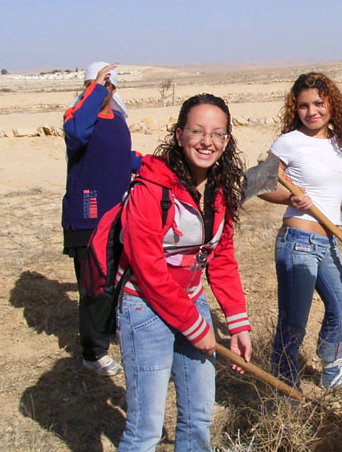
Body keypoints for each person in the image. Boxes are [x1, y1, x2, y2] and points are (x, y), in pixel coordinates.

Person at [116, 93, 252, 452]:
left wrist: (237, 323)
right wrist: (195, 327)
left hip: (192, 302)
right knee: (145, 429)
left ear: (227, 140)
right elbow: (148, 271)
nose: (207, 141)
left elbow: (221, 259)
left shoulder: (219, 191)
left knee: (198, 417)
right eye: (197, 131)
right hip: (145, 309)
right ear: (179, 135)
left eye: (217, 133)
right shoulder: (150, 190)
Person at [259, 72, 342, 390]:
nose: (312, 112)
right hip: (298, 241)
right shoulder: (289, 143)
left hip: (330, 240)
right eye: (303, 106)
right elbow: (261, 186)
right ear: (294, 109)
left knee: (341, 306)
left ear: (331, 104)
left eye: (318, 104)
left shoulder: (340, 144)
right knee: (294, 320)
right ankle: (284, 384)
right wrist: (289, 196)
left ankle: (332, 370)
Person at [62, 62, 142, 376]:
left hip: (118, 213)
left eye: (109, 86)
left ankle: (113, 332)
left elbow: (124, 158)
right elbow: (76, 134)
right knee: (95, 285)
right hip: (87, 215)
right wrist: (95, 89)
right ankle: (93, 351)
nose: (104, 91)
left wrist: (151, 164)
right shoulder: (78, 117)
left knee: (118, 280)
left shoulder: (117, 119)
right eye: (96, 86)